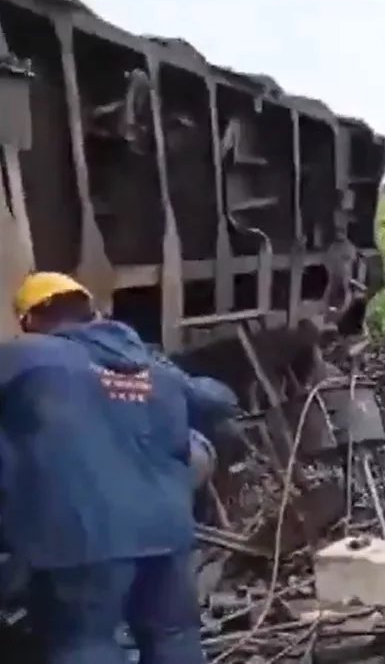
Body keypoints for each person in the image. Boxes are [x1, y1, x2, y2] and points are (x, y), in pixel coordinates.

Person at [0, 271, 239, 664]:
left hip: (84, 536)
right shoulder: (150, 364)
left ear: (30, 319)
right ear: (91, 311)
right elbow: (220, 401)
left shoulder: (25, 356)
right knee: (174, 637)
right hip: (167, 529)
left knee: (86, 643)